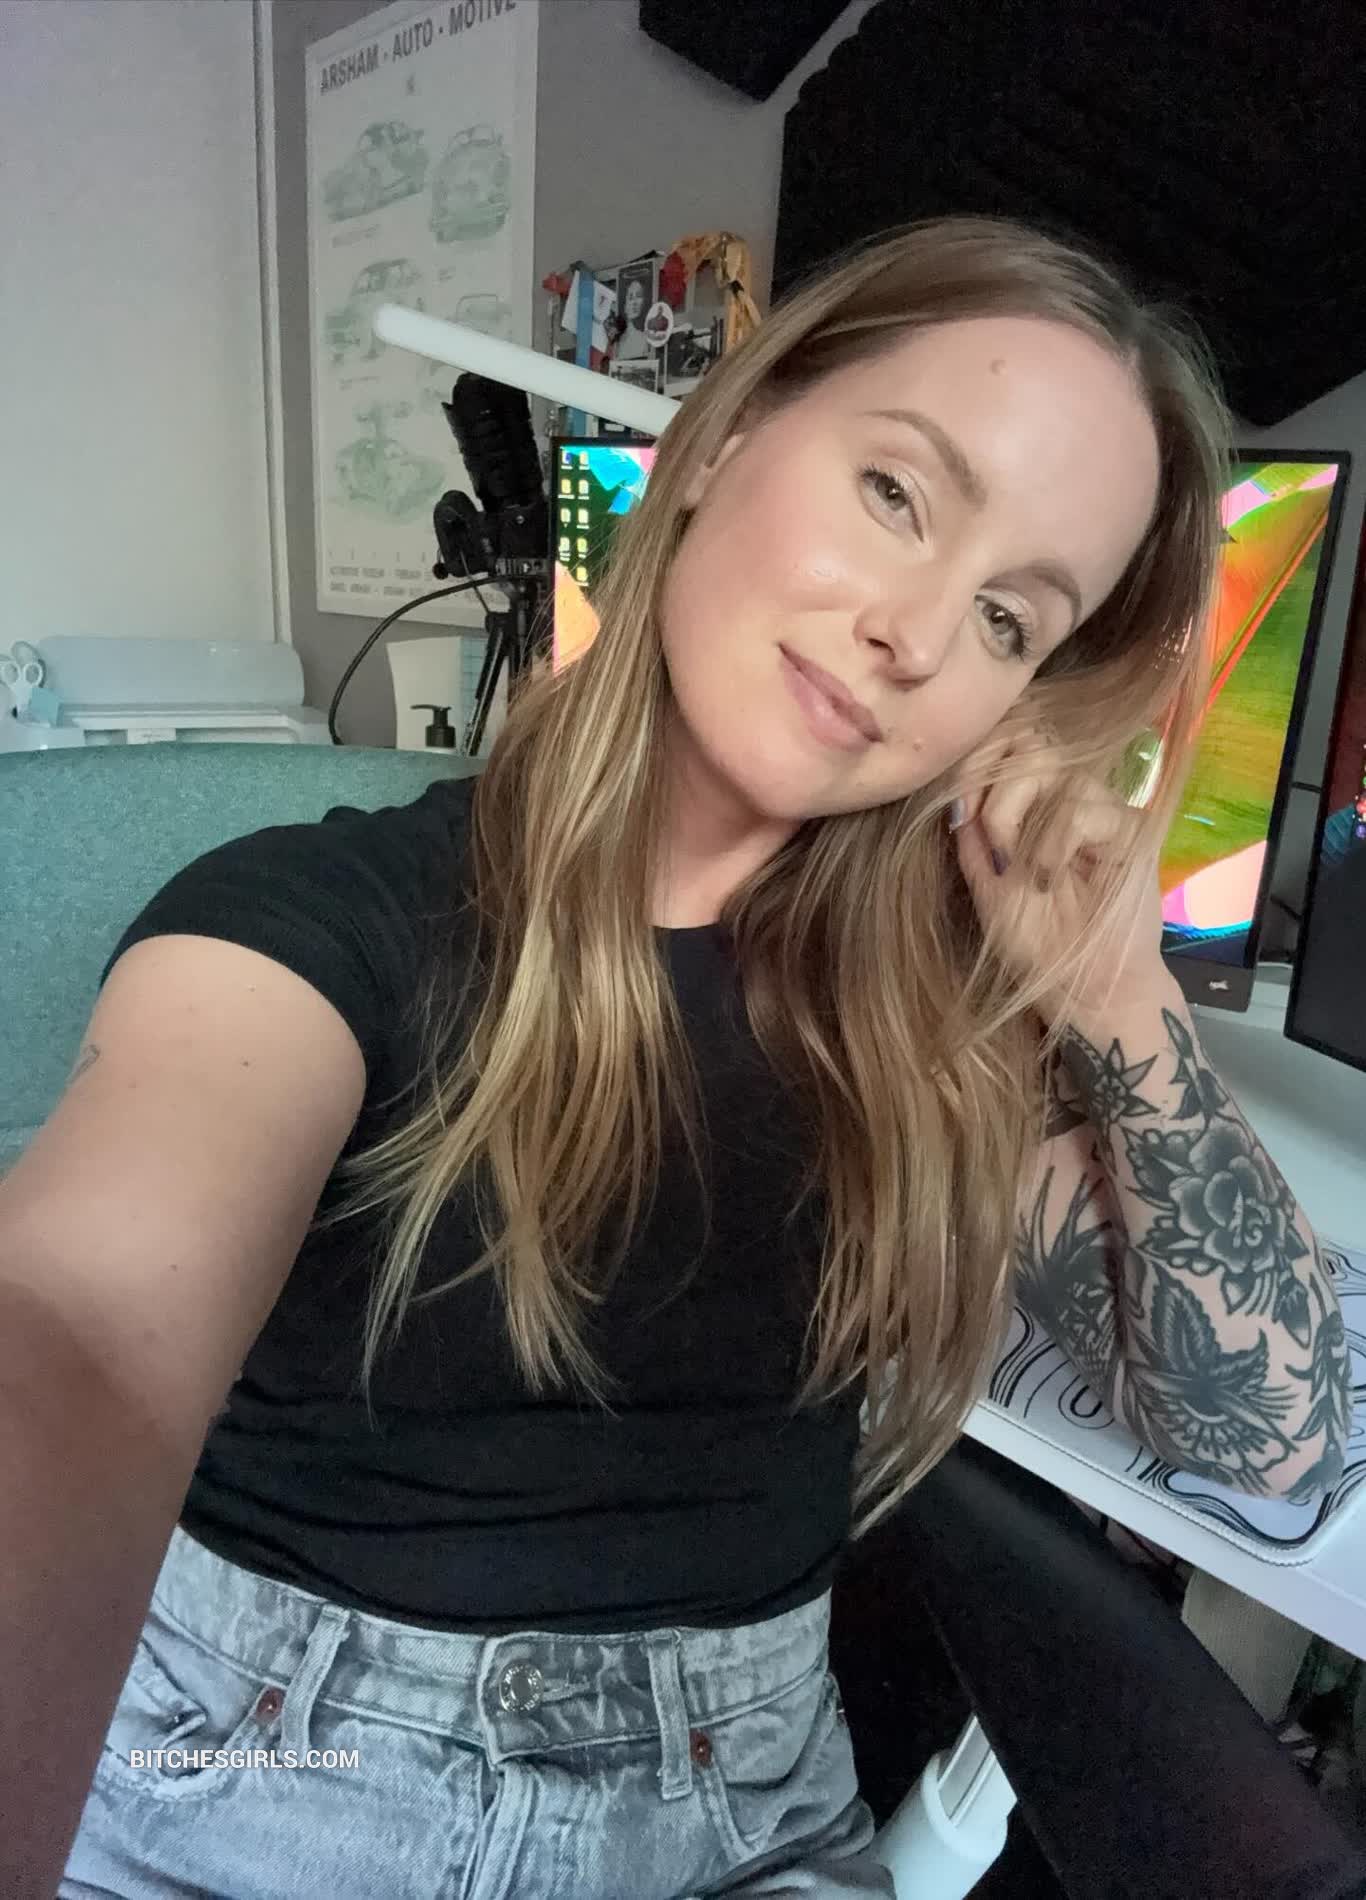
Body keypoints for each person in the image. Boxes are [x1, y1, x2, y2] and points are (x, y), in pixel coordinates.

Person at [3, 218, 1349, 1900]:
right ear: (719, 443)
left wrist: (1114, 989)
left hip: (738, 1815)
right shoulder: (305, 927)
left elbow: (1271, 1441)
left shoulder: (929, 1048)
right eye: (895, 493)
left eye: (1010, 618)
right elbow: (78, 1341)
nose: (917, 634)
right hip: (253, 1777)